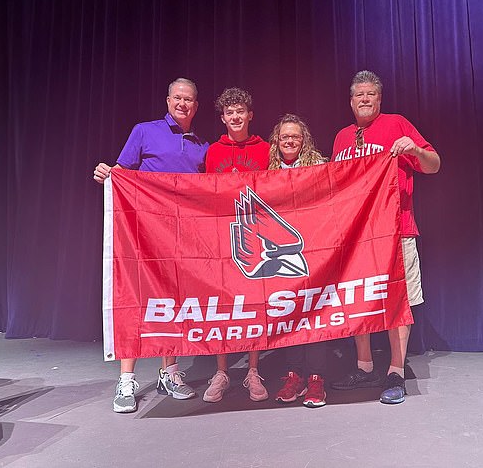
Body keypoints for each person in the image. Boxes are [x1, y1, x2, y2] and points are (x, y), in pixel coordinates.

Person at [93, 77, 208, 413]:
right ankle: (126, 380)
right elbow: (122, 173)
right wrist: (106, 173)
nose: (183, 104)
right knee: (136, 300)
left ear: (196, 106)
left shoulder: (203, 145)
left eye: (189, 99)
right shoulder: (144, 130)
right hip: (143, 232)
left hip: (181, 237)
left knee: (172, 302)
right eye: (177, 98)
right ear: (168, 100)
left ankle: (168, 371)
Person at [330, 70, 440, 404]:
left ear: (380, 99)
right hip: (356, 236)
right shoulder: (341, 137)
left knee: (397, 301)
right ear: (351, 101)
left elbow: (434, 164)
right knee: (357, 298)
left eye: (370, 94)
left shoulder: (398, 124)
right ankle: (364, 367)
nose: (364, 99)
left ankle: (395, 370)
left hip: (397, 229)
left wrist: (416, 150)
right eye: (358, 94)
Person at [203, 87, 270, 402]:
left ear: (250, 114)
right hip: (221, 237)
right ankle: (222, 371)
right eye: (230, 113)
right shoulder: (213, 151)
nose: (235, 117)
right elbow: (206, 196)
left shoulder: (264, 149)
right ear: (223, 118)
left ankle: (252, 371)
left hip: (254, 236)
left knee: (256, 304)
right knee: (223, 305)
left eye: (240, 111)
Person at [267, 114, 328, 408]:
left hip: (314, 250)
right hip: (282, 256)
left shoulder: (318, 166)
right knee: (289, 313)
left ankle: (316, 380)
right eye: (284, 137)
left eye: (295, 136)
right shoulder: (268, 171)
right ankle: (294, 376)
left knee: (314, 312)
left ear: (304, 140)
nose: (289, 141)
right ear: (276, 142)